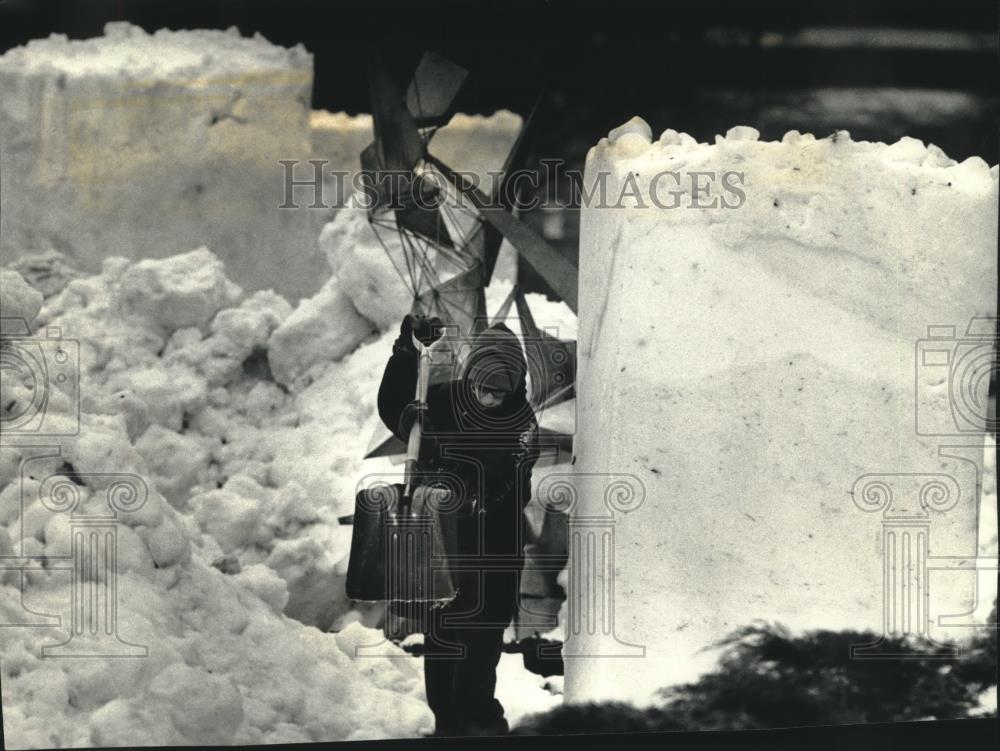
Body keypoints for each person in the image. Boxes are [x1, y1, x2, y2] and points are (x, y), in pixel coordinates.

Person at [377, 313, 540, 736]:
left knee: (473, 691)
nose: (488, 399)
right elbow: (396, 406)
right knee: (443, 689)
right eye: (481, 389)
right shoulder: (446, 400)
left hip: (491, 570)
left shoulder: (521, 424)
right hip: (442, 563)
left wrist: (450, 476)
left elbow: (500, 479)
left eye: (497, 393)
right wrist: (407, 354)